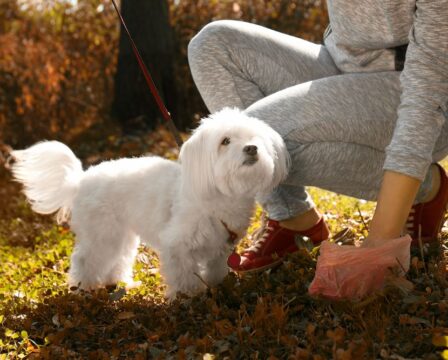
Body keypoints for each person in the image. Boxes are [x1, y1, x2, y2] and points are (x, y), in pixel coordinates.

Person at [187, 1, 448, 274]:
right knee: (212, 45)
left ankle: (425, 187)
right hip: (341, 66)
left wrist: (379, 243)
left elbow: (428, 89)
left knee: (258, 139)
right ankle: (293, 218)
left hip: (421, 91)